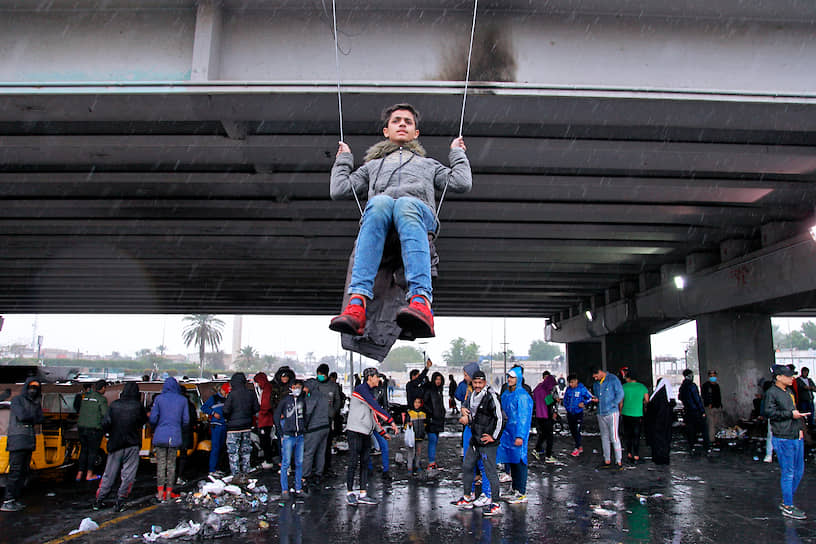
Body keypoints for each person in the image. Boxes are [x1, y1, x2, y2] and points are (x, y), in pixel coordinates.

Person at [328, 103, 472, 338]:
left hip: (417, 216)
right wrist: (344, 159)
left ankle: (420, 300)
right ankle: (356, 304)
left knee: (405, 203)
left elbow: (461, 183)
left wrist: (457, 153)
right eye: (396, 121)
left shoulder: (429, 165)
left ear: (416, 133)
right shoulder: (371, 166)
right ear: (386, 131)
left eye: (408, 121)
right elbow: (340, 188)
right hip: (382, 217)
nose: (402, 124)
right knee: (380, 203)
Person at [346, 367, 398, 506]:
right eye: (376, 377)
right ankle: (350, 492)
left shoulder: (369, 392)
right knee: (353, 462)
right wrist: (390, 420)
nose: (378, 379)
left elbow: (372, 415)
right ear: (369, 378)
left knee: (364, 462)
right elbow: (375, 407)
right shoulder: (361, 389)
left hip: (365, 432)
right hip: (355, 431)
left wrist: (381, 432)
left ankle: (363, 493)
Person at [94, 382, 148, 512]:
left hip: (115, 443)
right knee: (128, 475)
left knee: (109, 473)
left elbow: (106, 423)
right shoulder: (138, 406)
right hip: (132, 444)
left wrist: (109, 433)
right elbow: (142, 422)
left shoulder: (114, 405)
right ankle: (121, 500)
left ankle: (99, 500)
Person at [764, 364, 809, 520]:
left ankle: (786, 501)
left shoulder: (788, 391)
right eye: (789, 376)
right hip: (783, 437)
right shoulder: (772, 393)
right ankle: (788, 506)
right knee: (788, 473)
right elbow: (768, 412)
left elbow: (794, 411)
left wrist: (800, 429)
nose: (792, 378)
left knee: (799, 471)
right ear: (779, 377)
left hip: (795, 435)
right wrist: (790, 414)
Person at [456, 370, 504, 517]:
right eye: (475, 383)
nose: (477, 385)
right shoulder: (472, 396)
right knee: (467, 465)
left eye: (480, 383)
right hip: (475, 439)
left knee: (490, 472)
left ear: (484, 382)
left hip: (487, 442)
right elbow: (475, 417)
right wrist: (465, 415)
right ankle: (467, 497)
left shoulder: (491, 396)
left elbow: (500, 419)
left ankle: (496, 503)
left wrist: (493, 437)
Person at [1, 378, 44, 512]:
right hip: (17, 440)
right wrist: (33, 417)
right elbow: (23, 416)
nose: (33, 389)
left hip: (28, 440)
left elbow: (40, 418)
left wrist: (31, 417)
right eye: (31, 386)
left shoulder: (35, 402)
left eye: (36, 387)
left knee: (23, 473)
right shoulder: (17, 400)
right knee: (15, 472)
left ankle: (14, 499)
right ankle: (8, 500)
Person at [455, 362, 492, 507]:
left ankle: (487, 494)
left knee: (484, 464)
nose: (465, 378)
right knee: (468, 464)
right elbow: (464, 403)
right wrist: (463, 409)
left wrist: (468, 418)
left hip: (480, 432)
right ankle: (468, 494)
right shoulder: (467, 390)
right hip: (469, 432)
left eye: (466, 375)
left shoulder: (488, 394)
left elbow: (486, 415)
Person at [149, 377, 189, 502]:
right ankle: (169, 492)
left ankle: (160, 493)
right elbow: (186, 420)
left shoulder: (159, 399)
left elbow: (153, 418)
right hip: (175, 435)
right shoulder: (183, 400)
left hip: (160, 435)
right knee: (171, 465)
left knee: (161, 464)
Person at [497, 367, 533, 505]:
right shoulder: (506, 394)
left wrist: (520, 435)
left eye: (512, 377)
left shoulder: (522, 396)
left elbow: (524, 417)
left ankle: (521, 492)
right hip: (507, 433)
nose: (509, 380)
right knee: (511, 460)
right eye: (508, 377)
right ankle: (514, 488)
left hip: (517, 433)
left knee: (520, 461)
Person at [223, 372, 260, 481]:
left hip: (233, 428)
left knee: (233, 452)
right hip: (247, 426)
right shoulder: (251, 393)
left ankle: (236, 475)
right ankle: (246, 473)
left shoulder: (232, 394)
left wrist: (228, 418)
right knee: (246, 451)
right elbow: (257, 409)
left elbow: (225, 410)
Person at [275, 379, 306, 498]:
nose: (297, 389)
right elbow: (277, 415)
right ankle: (285, 490)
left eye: (299, 387)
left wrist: (304, 428)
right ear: (291, 387)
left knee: (299, 462)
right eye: (295, 387)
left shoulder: (302, 401)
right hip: (288, 436)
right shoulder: (285, 401)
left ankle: (298, 488)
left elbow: (305, 415)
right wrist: (280, 432)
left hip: (300, 435)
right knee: (286, 463)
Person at [591, 367, 625, 469]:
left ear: (600, 372)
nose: (595, 379)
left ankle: (619, 462)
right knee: (604, 437)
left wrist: (613, 404)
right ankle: (607, 460)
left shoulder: (613, 379)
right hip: (601, 413)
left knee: (614, 437)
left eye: (596, 376)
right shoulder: (596, 384)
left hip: (612, 413)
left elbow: (620, 394)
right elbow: (597, 396)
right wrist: (596, 399)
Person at [76, 379, 108, 482]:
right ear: (103, 388)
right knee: (93, 452)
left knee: (84, 450)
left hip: (81, 428)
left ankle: (79, 474)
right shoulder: (101, 399)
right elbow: (105, 414)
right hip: (94, 429)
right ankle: (89, 474)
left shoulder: (86, 397)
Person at [314, 364, 343, 476]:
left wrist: (332, 412)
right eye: (319, 374)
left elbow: (337, 401)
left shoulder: (333, 386)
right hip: (314, 420)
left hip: (327, 419)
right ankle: (316, 468)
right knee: (314, 445)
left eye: (322, 374)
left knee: (326, 444)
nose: (320, 376)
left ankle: (326, 467)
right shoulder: (313, 384)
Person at [302, 378, 330, 488]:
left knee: (309, 452)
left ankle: (305, 476)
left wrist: (305, 426)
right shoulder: (323, 396)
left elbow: (308, 412)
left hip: (314, 428)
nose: (304, 389)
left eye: (305, 386)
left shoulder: (312, 396)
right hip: (325, 427)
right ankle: (318, 474)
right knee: (321, 452)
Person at [644, 377, 675, 465]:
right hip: (666, 424)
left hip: (656, 424)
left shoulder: (656, 397)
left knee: (657, 442)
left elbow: (650, 411)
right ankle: (665, 458)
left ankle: (658, 458)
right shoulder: (669, 397)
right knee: (666, 440)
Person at [201, 383, 230, 476]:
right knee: (215, 447)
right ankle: (212, 469)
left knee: (222, 448)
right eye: (226, 392)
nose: (227, 394)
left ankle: (218, 468)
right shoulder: (214, 398)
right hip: (216, 425)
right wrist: (213, 413)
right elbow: (203, 407)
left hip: (225, 425)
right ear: (222, 390)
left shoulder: (228, 399)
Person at [621, 371, 649, 464]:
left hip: (626, 413)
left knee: (628, 434)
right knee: (636, 435)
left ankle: (629, 454)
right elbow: (647, 400)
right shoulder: (642, 387)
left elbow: (620, 401)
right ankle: (636, 456)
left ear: (628, 378)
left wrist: (620, 411)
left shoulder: (624, 387)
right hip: (637, 414)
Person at [678, 369, 709, 452]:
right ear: (689, 376)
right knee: (704, 428)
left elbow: (680, 397)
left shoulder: (682, 386)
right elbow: (697, 399)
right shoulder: (692, 386)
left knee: (691, 429)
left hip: (687, 411)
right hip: (695, 411)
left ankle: (692, 446)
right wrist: (702, 411)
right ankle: (707, 446)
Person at [562, 374, 593, 457]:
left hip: (578, 413)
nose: (571, 384)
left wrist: (584, 403)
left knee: (577, 430)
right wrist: (567, 407)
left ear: (576, 381)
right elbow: (565, 400)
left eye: (572, 382)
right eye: (570, 383)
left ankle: (577, 447)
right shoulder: (568, 390)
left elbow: (590, 397)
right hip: (570, 413)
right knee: (572, 430)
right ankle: (579, 445)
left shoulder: (582, 389)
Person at [369, 374, 392, 479]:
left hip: (377, 423)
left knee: (384, 446)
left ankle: (385, 470)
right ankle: (369, 469)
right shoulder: (363, 391)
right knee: (367, 447)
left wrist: (382, 420)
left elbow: (385, 406)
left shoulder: (381, 390)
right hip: (367, 423)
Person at [531, 372, 558, 462]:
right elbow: (549, 402)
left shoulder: (538, 388)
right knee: (549, 435)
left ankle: (537, 449)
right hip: (546, 415)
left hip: (539, 415)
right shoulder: (545, 391)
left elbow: (534, 398)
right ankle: (548, 455)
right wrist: (555, 400)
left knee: (543, 434)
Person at [253, 372, 278, 470]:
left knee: (265, 440)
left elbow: (266, 404)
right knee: (266, 440)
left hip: (265, 420)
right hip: (267, 419)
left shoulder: (267, 389)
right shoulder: (266, 388)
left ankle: (268, 460)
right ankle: (269, 459)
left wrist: (260, 413)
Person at [424, 372, 446, 470]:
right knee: (432, 441)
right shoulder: (429, 390)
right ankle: (431, 463)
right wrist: (431, 413)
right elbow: (424, 403)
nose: (438, 381)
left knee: (435, 441)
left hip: (438, 419)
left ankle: (432, 462)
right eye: (436, 379)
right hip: (432, 420)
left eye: (440, 379)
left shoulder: (439, 391)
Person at [405, 396, 428, 475]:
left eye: (419, 402)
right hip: (412, 436)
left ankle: (417, 465)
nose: (417, 404)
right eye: (415, 402)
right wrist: (409, 425)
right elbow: (405, 425)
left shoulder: (423, 414)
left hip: (420, 436)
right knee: (410, 452)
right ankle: (410, 467)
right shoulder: (410, 413)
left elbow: (425, 424)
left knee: (418, 452)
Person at [701, 369, 723, 442]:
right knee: (711, 425)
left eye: (714, 376)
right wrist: (709, 404)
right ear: (708, 377)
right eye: (711, 376)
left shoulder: (717, 386)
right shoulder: (706, 386)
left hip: (717, 407)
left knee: (717, 424)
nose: (713, 377)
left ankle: (717, 439)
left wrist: (720, 406)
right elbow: (705, 396)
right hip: (710, 408)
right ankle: (711, 440)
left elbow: (718, 396)